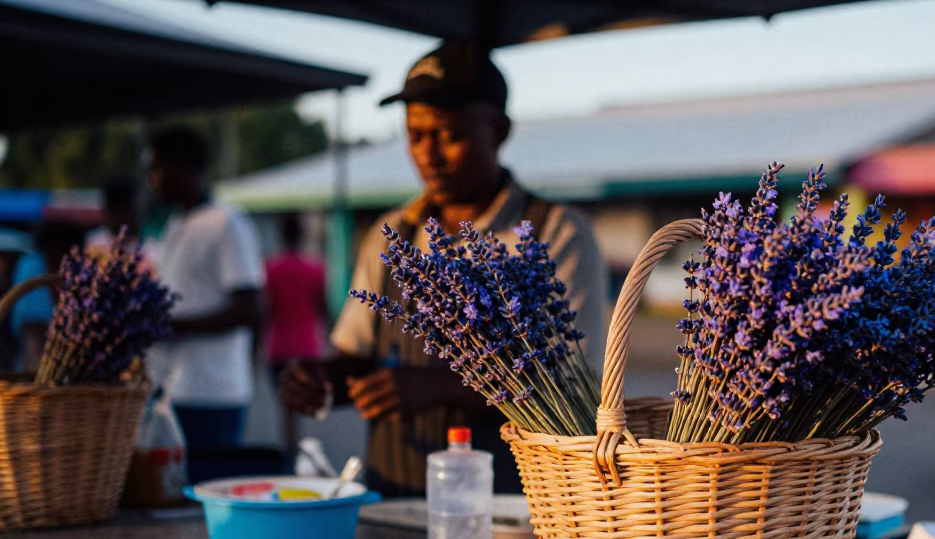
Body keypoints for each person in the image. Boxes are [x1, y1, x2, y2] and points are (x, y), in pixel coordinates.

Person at [279, 41, 607, 497]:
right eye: (415, 136)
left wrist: (439, 386)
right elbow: (354, 357)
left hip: (512, 506)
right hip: (393, 497)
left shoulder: (557, 233)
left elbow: (573, 384)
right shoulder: (392, 233)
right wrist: (318, 381)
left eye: (449, 135)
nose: (428, 155)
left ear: (500, 131)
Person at [145, 125, 264, 450]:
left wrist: (170, 326)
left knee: (205, 491)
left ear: (184, 167)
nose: (151, 178)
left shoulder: (226, 222)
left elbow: (249, 308)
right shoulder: (174, 223)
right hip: (172, 387)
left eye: (157, 168)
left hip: (212, 392)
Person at [264, 215, 328, 455]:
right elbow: (322, 307)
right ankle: (303, 448)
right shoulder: (315, 267)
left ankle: (292, 447)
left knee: (287, 406)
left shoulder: (271, 268)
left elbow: (267, 310)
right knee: (306, 401)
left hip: (279, 346)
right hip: (308, 345)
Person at [8, 221, 86, 371]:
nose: (58, 260)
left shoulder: (81, 275)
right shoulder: (31, 268)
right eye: (54, 252)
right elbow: (30, 329)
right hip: (35, 360)